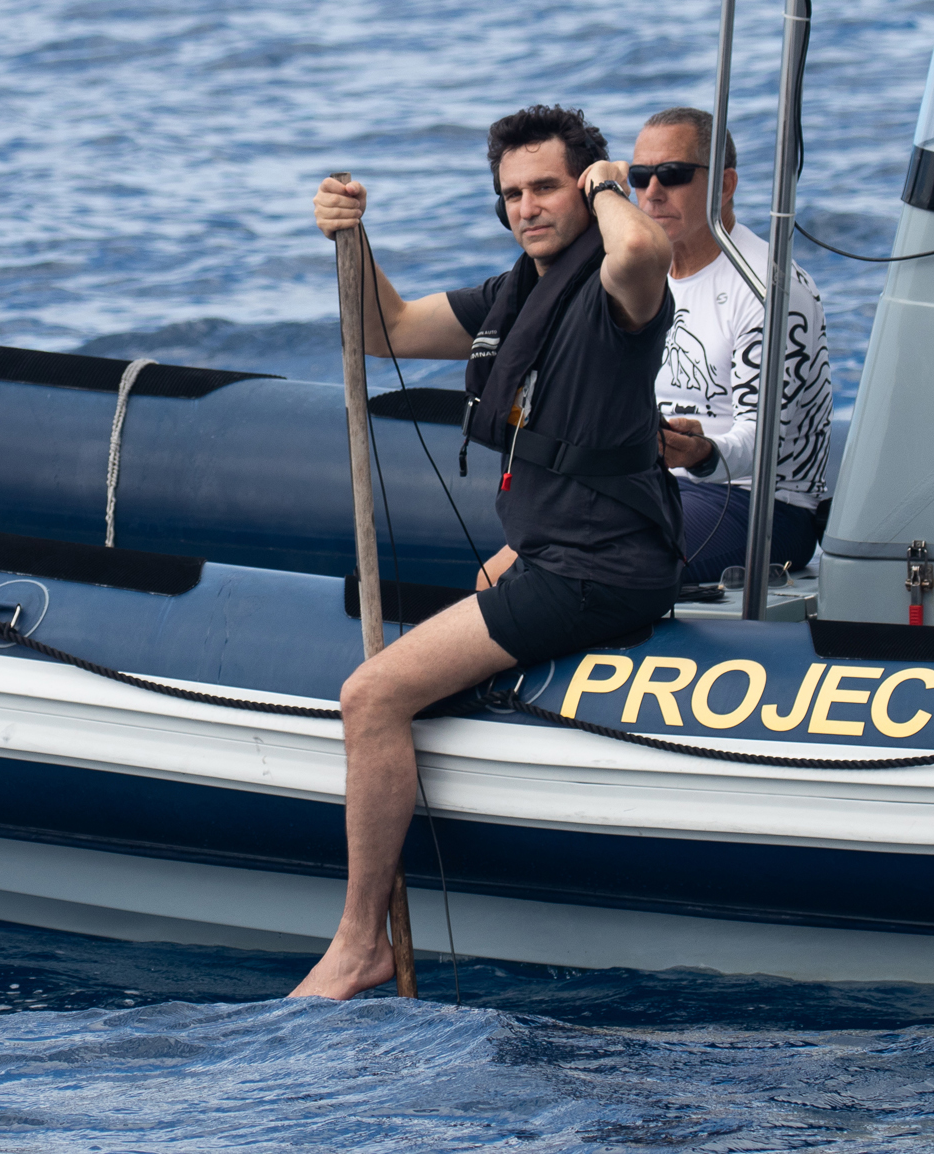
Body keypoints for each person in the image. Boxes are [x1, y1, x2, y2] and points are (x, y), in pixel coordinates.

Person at [289, 104, 681, 999]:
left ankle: (358, 943)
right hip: (556, 548)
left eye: (546, 186)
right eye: (511, 193)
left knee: (372, 693)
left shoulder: (621, 290)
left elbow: (643, 254)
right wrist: (353, 240)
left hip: (599, 568)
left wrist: (615, 183)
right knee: (470, 586)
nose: (527, 207)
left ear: (583, 187)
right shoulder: (514, 293)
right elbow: (379, 332)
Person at [629, 106, 833, 583]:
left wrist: (698, 454)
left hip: (761, 504)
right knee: (506, 569)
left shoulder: (769, 289)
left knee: (606, 567)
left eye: (673, 175)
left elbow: (763, 442)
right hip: (656, 486)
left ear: (724, 185)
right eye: (640, 177)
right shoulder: (637, 279)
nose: (653, 192)